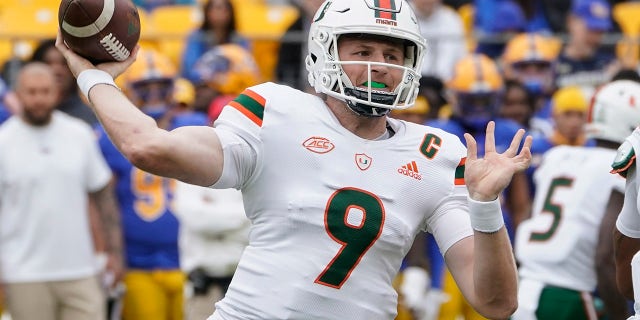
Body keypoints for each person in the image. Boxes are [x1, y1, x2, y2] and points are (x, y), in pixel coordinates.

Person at [55, 0, 533, 318]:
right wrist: (91, 75)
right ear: (324, 52)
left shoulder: (438, 152)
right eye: (362, 50)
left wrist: (486, 209)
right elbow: (148, 147)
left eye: (392, 54)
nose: (379, 66)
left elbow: (496, 302)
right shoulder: (276, 112)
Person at [0, 62, 124, 320]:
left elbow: (103, 196)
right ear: (18, 94)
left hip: (81, 268)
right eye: (31, 92)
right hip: (24, 272)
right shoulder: (4, 141)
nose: (38, 99)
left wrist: (114, 253)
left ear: (56, 92)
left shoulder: (78, 134)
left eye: (44, 91)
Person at [513, 80, 640, 320]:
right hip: (568, 297)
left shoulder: (557, 155)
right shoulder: (617, 171)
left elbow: (529, 217)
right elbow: (606, 256)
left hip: (523, 289)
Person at [99, 48, 207, 320]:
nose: (155, 94)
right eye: (146, 87)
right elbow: (104, 202)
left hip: (192, 261)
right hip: (139, 263)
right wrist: (112, 254)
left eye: (161, 86)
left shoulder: (194, 125)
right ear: (130, 91)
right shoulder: (107, 138)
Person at [173, 182, 250, 320]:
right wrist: (242, 216)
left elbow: (258, 223)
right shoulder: (189, 174)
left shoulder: (246, 172)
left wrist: (212, 214)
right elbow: (195, 219)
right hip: (204, 289)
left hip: (244, 287)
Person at [30, 39, 99, 126]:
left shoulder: (89, 119)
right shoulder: (20, 114)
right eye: (48, 63)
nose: (57, 70)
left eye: (64, 64)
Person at [180, 0, 249, 83]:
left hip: (231, 86)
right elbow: (190, 69)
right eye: (215, 9)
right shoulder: (196, 37)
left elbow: (245, 68)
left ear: (231, 13)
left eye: (224, 10)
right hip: (202, 85)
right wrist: (213, 78)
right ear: (207, 12)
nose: (219, 14)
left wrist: (229, 79)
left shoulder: (239, 39)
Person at [410, 0, 467, 81]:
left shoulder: (452, 19)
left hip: (447, 86)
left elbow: (462, 59)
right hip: (412, 84)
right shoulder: (403, 17)